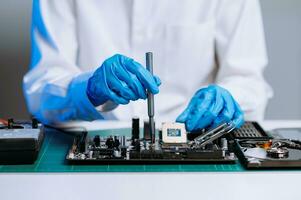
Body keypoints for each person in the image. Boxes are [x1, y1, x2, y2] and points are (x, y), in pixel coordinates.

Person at [23, 0, 272, 131]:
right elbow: (40, 93)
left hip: (193, 139)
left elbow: (249, 81)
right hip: (92, 139)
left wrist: (229, 98)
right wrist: (87, 89)